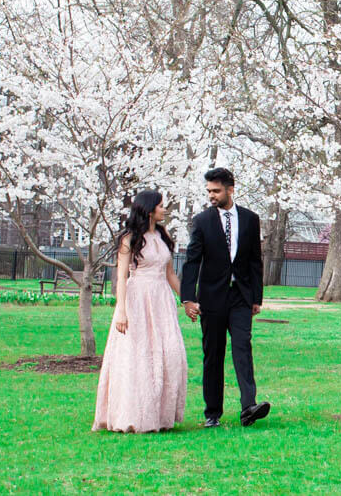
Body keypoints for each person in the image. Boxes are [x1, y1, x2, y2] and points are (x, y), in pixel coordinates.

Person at [180, 168, 269, 428]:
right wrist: (188, 298)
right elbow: (192, 261)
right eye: (209, 191)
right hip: (211, 298)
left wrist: (256, 297)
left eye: (216, 191)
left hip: (240, 296)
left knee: (243, 347)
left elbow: (255, 261)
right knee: (213, 354)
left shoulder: (251, 219)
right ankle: (212, 413)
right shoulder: (202, 221)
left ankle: (248, 407)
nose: (211, 195)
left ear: (231, 189)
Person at [93, 190, 188, 433]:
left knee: (170, 353)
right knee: (138, 355)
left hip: (161, 301)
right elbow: (121, 276)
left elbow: (170, 275)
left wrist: (187, 299)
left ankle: (160, 415)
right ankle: (133, 415)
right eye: (160, 206)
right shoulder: (130, 238)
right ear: (148, 210)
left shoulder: (162, 236)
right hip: (137, 298)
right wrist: (121, 310)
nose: (164, 210)